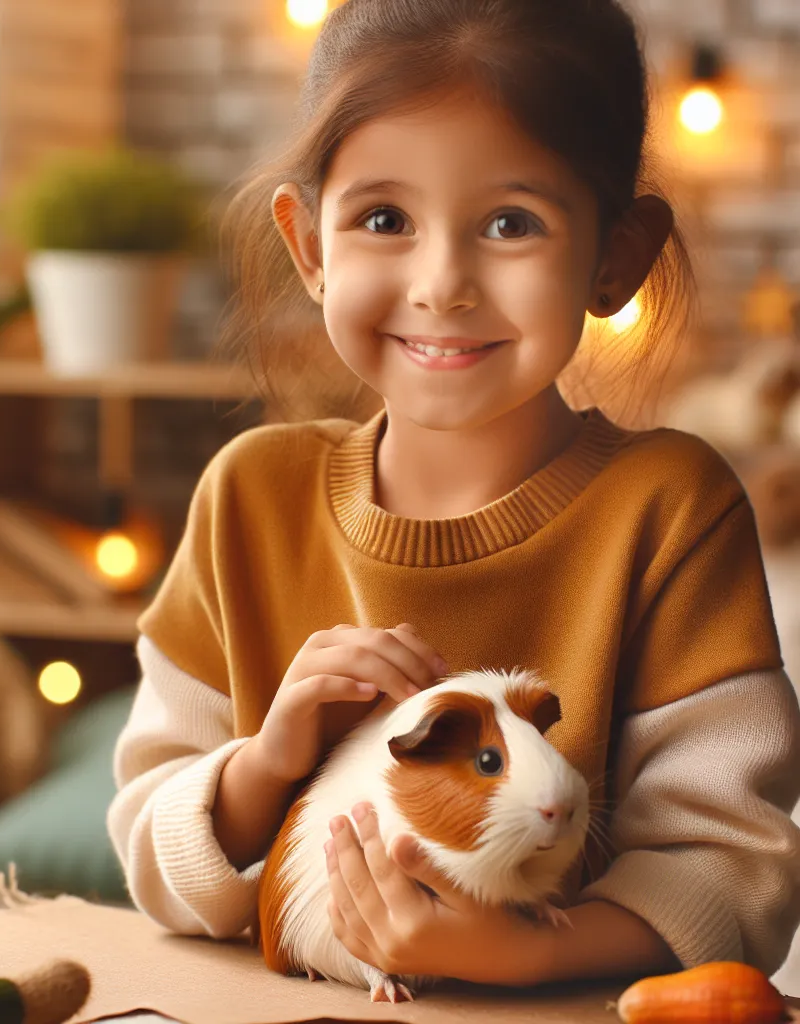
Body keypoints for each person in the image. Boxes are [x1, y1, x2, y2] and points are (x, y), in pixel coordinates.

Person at [108, 0, 800, 988]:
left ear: (615, 257)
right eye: (384, 219)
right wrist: (262, 763)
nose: (442, 283)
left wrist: (529, 949)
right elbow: (151, 857)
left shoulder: (673, 509)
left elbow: (740, 875)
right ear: (310, 247)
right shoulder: (247, 498)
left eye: (510, 223)